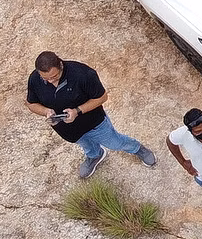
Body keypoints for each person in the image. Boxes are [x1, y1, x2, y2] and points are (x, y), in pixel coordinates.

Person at [26, 51, 157, 179]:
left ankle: (137, 148)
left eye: (54, 77)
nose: (50, 81)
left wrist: (77, 111)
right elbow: (31, 104)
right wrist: (46, 112)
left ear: (60, 65)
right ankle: (95, 155)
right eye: (45, 78)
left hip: (94, 124)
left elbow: (102, 97)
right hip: (67, 130)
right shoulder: (34, 79)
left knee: (115, 143)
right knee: (86, 145)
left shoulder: (83, 74)